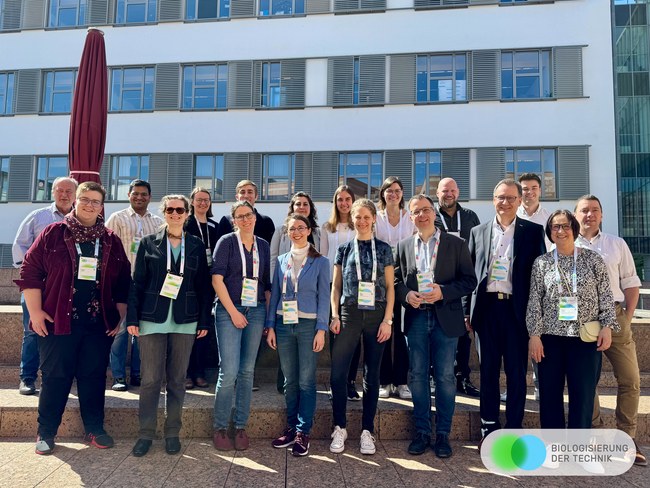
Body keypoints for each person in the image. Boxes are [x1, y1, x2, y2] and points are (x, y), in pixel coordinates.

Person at [15, 182, 131, 455]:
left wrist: (119, 315)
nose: (90, 205)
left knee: (93, 376)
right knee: (55, 377)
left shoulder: (111, 240)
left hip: (98, 323)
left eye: (96, 201)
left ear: (102, 207)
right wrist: (35, 312)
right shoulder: (53, 233)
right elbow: (30, 272)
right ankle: (46, 432)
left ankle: (94, 428)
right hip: (58, 321)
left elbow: (123, 281)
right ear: (75, 202)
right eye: (85, 199)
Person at [128, 195, 212, 457]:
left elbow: (204, 286)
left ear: (187, 213)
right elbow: (137, 282)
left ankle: (172, 432)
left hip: (185, 320)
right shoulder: (148, 242)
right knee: (151, 380)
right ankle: (145, 434)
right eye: (170, 209)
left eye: (180, 209)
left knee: (177, 380)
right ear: (163, 212)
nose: (175, 213)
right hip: (152, 318)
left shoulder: (196, 245)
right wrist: (132, 318)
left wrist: (204, 319)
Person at [395, 194, 477, 458]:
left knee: (444, 376)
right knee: (417, 375)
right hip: (417, 317)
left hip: (445, 318)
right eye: (416, 212)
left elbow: (469, 281)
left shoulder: (456, 244)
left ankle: (442, 434)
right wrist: (407, 294)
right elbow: (395, 280)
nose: (422, 215)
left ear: (434, 213)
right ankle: (421, 432)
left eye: (426, 210)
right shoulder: (404, 245)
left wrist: (444, 292)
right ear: (410, 217)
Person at [466, 179, 546, 445]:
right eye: (501, 197)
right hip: (486, 311)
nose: (505, 202)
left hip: (517, 313)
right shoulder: (478, 232)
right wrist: (467, 312)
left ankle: (514, 426)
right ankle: (489, 426)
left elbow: (539, 279)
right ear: (493, 200)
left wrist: (535, 318)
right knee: (488, 371)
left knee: (516, 373)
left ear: (519, 201)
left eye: (511, 198)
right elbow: (469, 276)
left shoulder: (533, 232)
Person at [527, 210, 616, 434]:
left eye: (565, 226)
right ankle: (553, 443)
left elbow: (606, 296)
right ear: (549, 232)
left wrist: (607, 326)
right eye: (555, 227)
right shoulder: (542, 263)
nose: (561, 231)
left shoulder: (593, 259)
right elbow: (535, 300)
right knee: (549, 395)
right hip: (550, 339)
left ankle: (579, 445)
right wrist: (534, 335)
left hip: (584, 338)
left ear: (574, 229)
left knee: (583, 395)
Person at [574, 195, 646, 466]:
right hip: (582, 320)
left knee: (631, 379)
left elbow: (631, 283)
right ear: (575, 215)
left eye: (595, 210)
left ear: (602, 215)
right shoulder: (566, 244)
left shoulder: (616, 244)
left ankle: (627, 437)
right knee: (586, 381)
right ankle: (593, 434)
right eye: (584, 210)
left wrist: (626, 317)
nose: (589, 215)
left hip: (615, 317)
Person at [329, 198, 394, 455]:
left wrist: (388, 320)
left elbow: (390, 288)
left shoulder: (384, 249)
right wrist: (335, 315)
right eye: (358, 217)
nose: (362, 221)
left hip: (377, 315)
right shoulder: (344, 249)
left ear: (374, 219)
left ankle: (367, 430)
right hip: (349, 313)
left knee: (372, 375)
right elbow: (336, 286)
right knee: (338, 373)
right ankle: (340, 427)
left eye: (367, 217)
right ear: (352, 219)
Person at [266, 214, 330, 457]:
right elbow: (275, 294)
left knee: (306, 381)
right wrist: (271, 326)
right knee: (289, 381)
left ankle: (304, 432)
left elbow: (324, 297)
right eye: (292, 229)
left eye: (301, 228)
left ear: (309, 230)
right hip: (283, 324)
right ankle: (292, 428)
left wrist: (321, 329)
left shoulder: (320, 262)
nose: (296, 232)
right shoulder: (281, 260)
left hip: (308, 325)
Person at [212, 201, 271, 451]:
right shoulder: (226, 242)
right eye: (240, 216)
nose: (245, 219)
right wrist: (234, 312)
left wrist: (268, 318)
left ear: (255, 216)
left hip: (256, 310)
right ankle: (220, 426)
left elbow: (266, 284)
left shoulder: (263, 245)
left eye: (248, 215)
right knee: (229, 372)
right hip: (229, 310)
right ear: (233, 220)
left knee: (247, 371)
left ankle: (240, 425)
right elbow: (217, 280)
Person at [12, 176, 78, 396]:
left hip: (67, 288)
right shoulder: (38, 217)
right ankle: (28, 378)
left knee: (65, 331)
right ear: (52, 192)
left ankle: (59, 378)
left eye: (69, 191)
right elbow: (20, 247)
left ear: (75, 194)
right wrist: (32, 276)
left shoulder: (81, 219)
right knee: (32, 331)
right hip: (37, 286)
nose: (64, 195)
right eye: (60, 190)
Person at [106, 179, 163, 392]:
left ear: (150, 197)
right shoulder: (117, 218)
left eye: (144, 194)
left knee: (142, 332)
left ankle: (138, 373)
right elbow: (107, 249)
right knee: (120, 331)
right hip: (121, 282)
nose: (139, 197)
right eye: (135, 193)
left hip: (146, 284)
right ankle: (119, 376)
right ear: (129, 195)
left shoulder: (158, 222)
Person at [269, 191, 321, 393]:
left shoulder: (318, 233)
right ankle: (285, 384)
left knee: (305, 362)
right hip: (285, 293)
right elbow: (273, 258)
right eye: (297, 204)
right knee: (286, 350)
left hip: (308, 298)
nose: (301, 207)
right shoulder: (281, 231)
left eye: (305, 204)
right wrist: (276, 284)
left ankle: (302, 388)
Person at [434, 177, 481, 398]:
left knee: (463, 333)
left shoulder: (470, 217)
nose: (449, 194)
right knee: (436, 333)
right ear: (437, 193)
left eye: (452, 190)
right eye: (445, 191)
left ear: (458, 192)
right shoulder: (432, 216)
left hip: (463, 282)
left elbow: (478, 247)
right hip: (439, 282)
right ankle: (435, 378)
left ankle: (463, 378)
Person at [320, 185, 362, 401]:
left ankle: (350, 382)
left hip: (356, 287)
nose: (344, 203)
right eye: (340, 199)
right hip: (333, 285)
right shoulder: (327, 227)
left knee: (355, 336)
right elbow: (323, 257)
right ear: (335, 203)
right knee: (336, 335)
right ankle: (337, 383)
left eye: (347, 199)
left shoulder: (360, 225)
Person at [374, 176, 415, 400]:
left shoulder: (410, 217)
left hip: (404, 280)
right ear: (383, 193)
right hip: (380, 281)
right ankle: (384, 381)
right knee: (382, 331)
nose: (393, 194)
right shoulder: (376, 217)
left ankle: (401, 382)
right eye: (389, 190)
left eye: (397, 190)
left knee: (400, 332)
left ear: (402, 194)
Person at [184, 187, 219, 390]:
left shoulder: (215, 226)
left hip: (209, 282)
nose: (203, 203)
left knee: (205, 327)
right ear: (192, 202)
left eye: (206, 200)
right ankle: (187, 373)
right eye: (199, 199)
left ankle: (199, 372)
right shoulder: (186, 223)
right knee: (187, 328)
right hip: (189, 281)